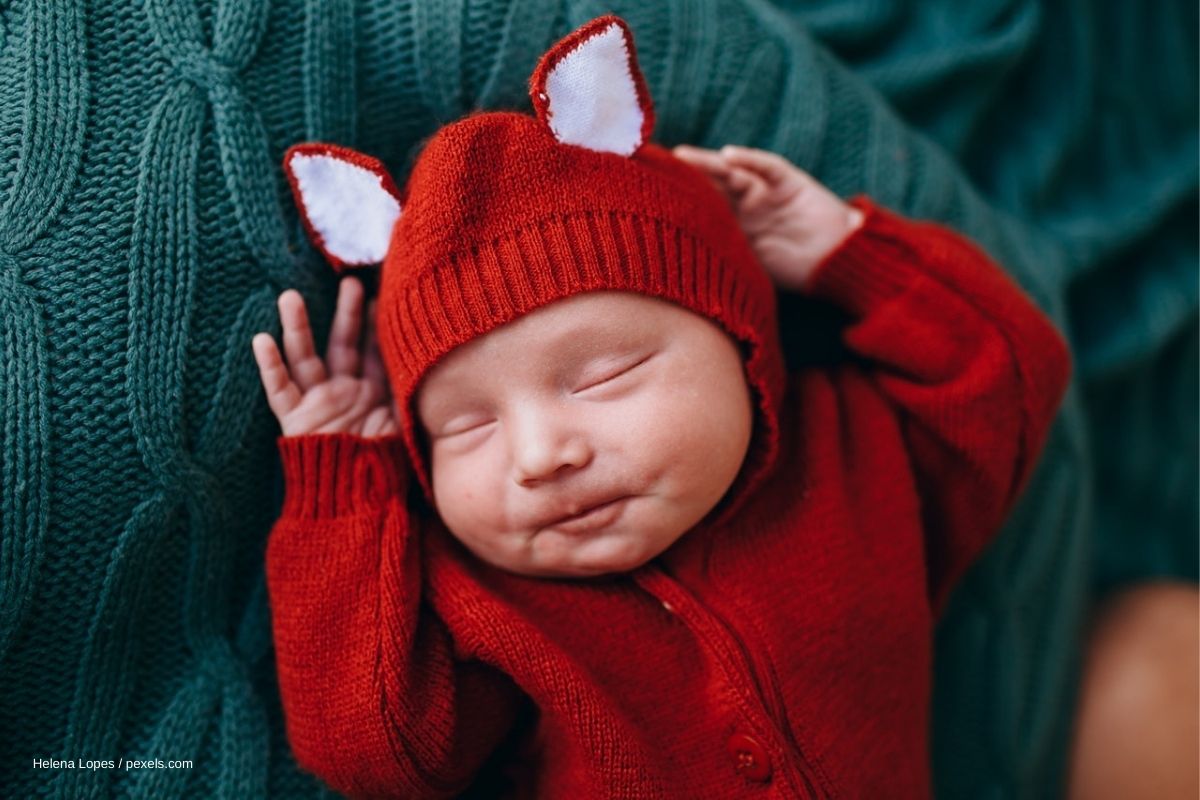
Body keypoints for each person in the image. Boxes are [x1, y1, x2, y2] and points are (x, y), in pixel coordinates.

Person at [251, 16, 1071, 798]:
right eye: (467, 427)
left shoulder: (857, 463)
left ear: (744, 340)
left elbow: (1007, 373)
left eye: (604, 377)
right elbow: (376, 751)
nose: (541, 456)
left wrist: (841, 256)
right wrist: (346, 487)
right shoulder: (487, 600)